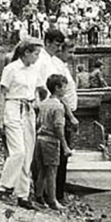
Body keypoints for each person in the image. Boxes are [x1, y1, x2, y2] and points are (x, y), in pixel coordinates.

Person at [0, 37, 45, 210]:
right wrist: (0, 119)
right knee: (18, 151)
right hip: (13, 107)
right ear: (26, 53)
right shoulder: (11, 68)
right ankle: (4, 186)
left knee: (28, 154)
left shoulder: (35, 69)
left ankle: (23, 194)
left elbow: (37, 90)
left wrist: (37, 105)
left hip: (29, 109)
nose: (38, 57)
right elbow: (2, 93)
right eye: (36, 53)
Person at [36, 29, 78, 202]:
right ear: (48, 42)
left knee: (58, 157)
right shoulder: (45, 61)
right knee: (56, 156)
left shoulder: (54, 60)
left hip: (62, 108)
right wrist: (69, 114)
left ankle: (54, 192)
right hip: (57, 110)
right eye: (56, 45)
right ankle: (53, 195)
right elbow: (52, 91)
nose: (58, 48)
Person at [34, 74, 73, 210]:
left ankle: (39, 196)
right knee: (52, 172)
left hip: (40, 139)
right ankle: (52, 200)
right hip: (51, 141)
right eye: (64, 87)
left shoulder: (44, 103)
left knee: (42, 171)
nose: (65, 90)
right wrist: (65, 146)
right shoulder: (58, 106)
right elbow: (58, 127)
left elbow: (38, 122)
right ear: (57, 88)